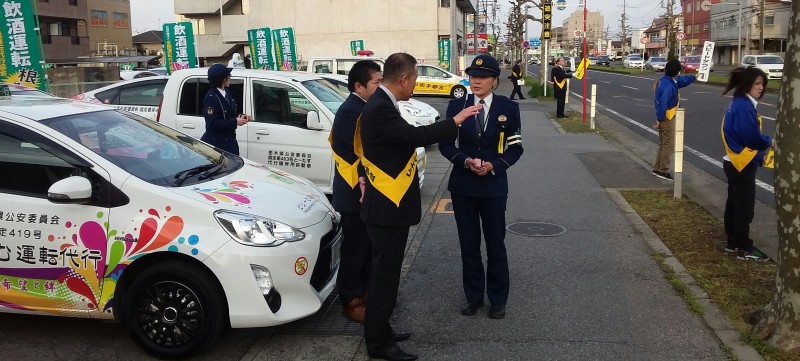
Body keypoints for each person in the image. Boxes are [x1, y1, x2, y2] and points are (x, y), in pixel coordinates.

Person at [356, 52, 483, 361]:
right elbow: (412, 136)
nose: (415, 84)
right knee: (384, 277)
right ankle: (379, 345)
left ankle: (382, 331)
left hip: (386, 206)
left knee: (386, 274)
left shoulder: (381, 103)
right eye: (414, 79)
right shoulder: (382, 108)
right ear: (404, 80)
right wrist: (455, 121)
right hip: (386, 208)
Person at [439, 54, 524, 320]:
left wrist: (494, 166)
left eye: (483, 76)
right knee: (469, 244)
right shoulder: (457, 106)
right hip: (463, 187)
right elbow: (445, 144)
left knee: (496, 243)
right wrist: (465, 161)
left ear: (495, 81)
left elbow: (516, 147)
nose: (476, 81)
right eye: (473, 76)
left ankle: (498, 299)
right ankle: (473, 297)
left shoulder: (507, 108)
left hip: (494, 186)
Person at [330, 60, 382, 323]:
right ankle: (350, 300)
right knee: (354, 249)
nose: (380, 85)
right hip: (353, 192)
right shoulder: (351, 111)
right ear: (359, 86)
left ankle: (365, 293)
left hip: (364, 191)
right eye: (376, 82)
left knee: (366, 246)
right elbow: (361, 152)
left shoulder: (363, 107)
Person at [720, 67, 772, 261]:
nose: (761, 88)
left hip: (734, 160)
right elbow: (752, 137)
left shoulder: (739, 103)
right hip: (742, 161)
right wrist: (768, 141)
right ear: (747, 84)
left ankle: (733, 243)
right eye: (757, 84)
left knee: (734, 204)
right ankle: (744, 247)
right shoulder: (744, 106)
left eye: (762, 84)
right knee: (744, 207)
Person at [652, 59, 695, 180]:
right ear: (675, 71)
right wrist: (659, 119)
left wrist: (694, 77)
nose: (679, 73)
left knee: (663, 144)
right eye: (678, 70)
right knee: (668, 145)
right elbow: (663, 103)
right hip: (667, 117)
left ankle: (657, 168)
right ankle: (663, 170)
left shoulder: (665, 81)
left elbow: (681, 81)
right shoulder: (668, 86)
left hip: (664, 116)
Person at [200, 64, 250, 155]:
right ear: (223, 79)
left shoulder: (226, 92)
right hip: (217, 145)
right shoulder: (211, 98)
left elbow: (229, 113)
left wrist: (240, 116)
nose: (230, 77)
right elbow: (212, 123)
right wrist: (235, 122)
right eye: (228, 75)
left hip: (229, 142)